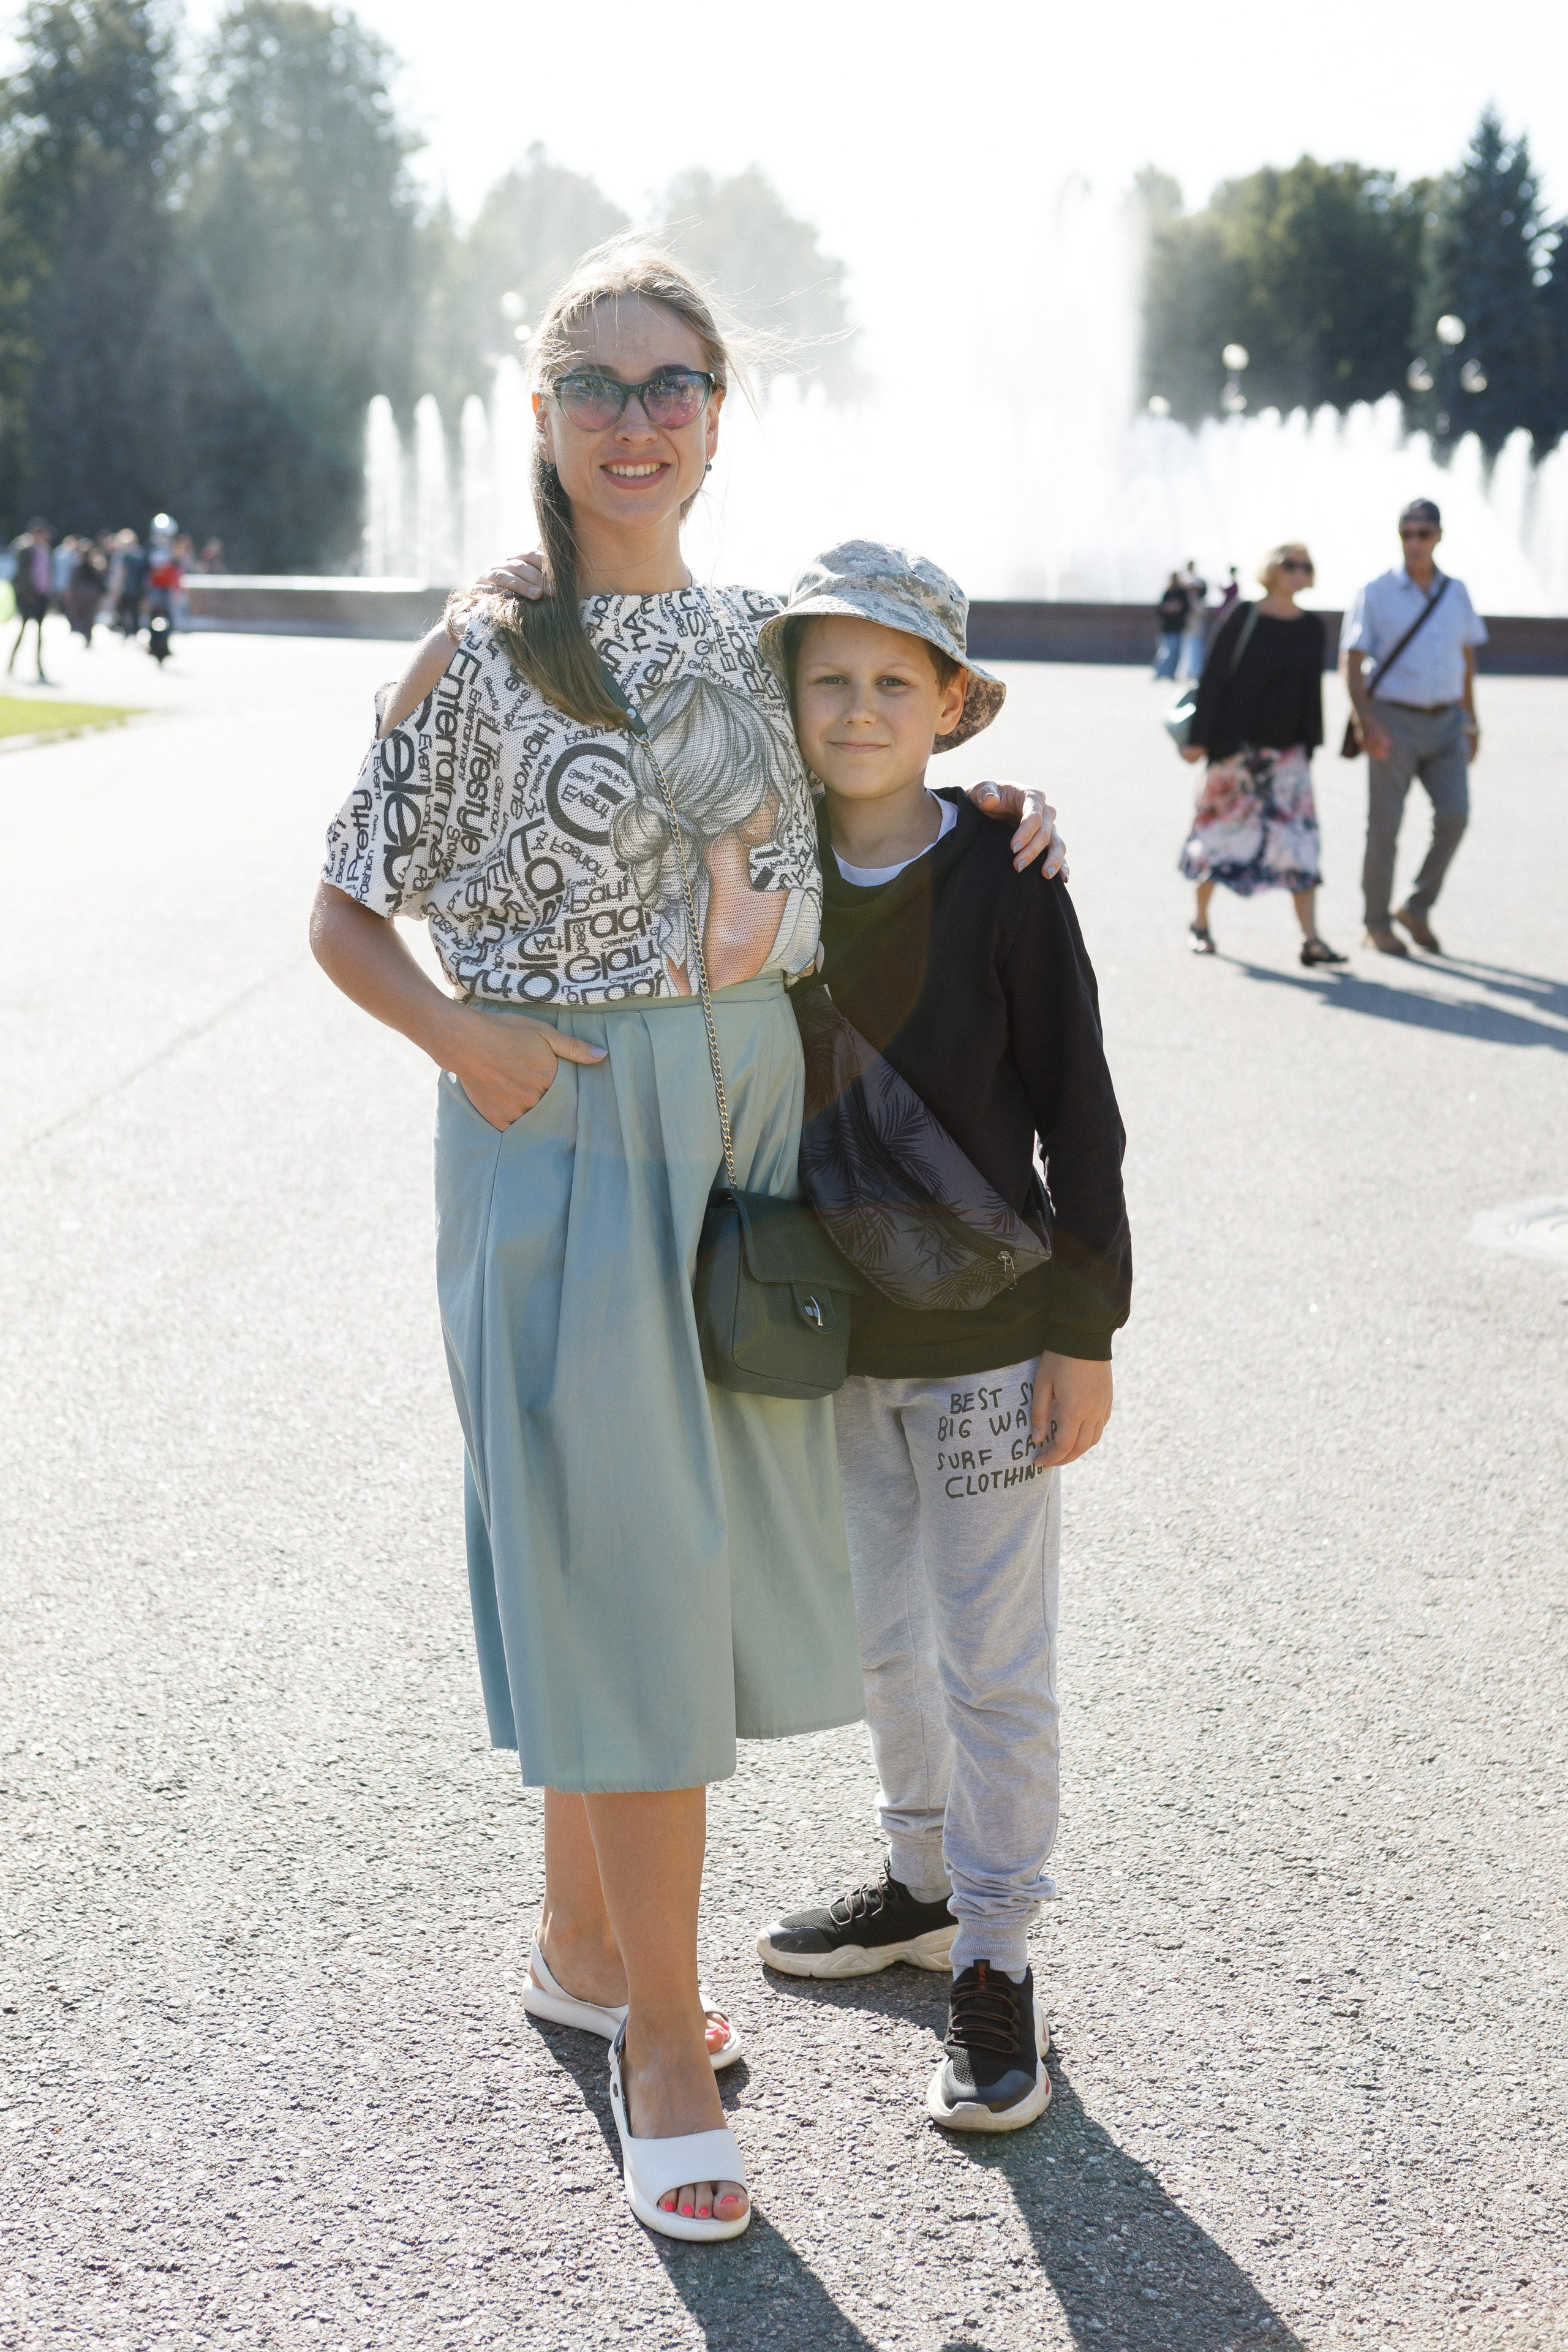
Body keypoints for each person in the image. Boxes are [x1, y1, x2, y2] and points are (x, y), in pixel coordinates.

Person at [309, 240, 1065, 2245]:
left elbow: (877, 781)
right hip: (560, 1141)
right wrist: (464, 1039)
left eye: (673, 387)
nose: (635, 421)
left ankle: (578, 1946)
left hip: (741, 1164)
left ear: (721, 420)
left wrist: (1004, 807)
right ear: (539, 415)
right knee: (632, 1578)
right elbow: (341, 911)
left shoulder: (754, 638)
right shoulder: (482, 651)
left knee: (649, 1578)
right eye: (598, 385)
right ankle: (656, 2029)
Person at [750, 543, 1130, 2135]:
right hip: (830, 1337)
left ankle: (997, 1960)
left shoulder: (1008, 874)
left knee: (994, 1658)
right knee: (883, 1637)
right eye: (827, 678)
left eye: (893, 682)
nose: (857, 709)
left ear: (953, 704)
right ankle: (914, 1880)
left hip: (989, 1344)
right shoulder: (758, 868)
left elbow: (1081, 1109)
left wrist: (1088, 1332)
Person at [1178, 541, 1345, 967]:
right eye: (1290, 564)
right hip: (1237, 751)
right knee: (1217, 834)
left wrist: (1311, 745)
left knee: (1300, 844)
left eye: (1305, 566)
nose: (1298, 572)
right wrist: (1200, 740)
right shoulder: (1245, 615)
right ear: (1271, 569)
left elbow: (1313, 690)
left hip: (1288, 755)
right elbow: (1214, 678)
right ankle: (1200, 924)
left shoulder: (1312, 626)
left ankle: (1311, 939)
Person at [1340, 497, 1487, 957]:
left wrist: (1472, 721)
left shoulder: (1456, 591)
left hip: (1446, 722)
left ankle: (1418, 907)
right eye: (1406, 533)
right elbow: (1352, 658)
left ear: (1439, 536)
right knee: (1384, 826)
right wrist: (1367, 721)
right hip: (1394, 720)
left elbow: (1466, 658)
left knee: (1455, 816)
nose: (1414, 543)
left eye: (1423, 533)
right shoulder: (1377, 590)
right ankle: (1376, 922)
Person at [6, 521, 54, 683]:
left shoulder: (44, 550)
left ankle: (39, 667)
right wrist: (27, 593)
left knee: (39, 633)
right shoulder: (25, 549)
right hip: (29, 596)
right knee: (23, 629)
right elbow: (22, 574)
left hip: (41, 596)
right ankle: (11, 663)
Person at [65, 540, 107, 646]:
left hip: (84, 595)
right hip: (89, 595)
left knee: (85, 617)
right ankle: (86, 634)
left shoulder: (85, 567)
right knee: (87, 617)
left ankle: (86, 635)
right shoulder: (90, 566)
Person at [1177, 559, 1208, 680]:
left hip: (1196, 626)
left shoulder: (1198, 598)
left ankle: (1195, 672)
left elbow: (1200, 611)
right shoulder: (1185, 583)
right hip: (1187, 626)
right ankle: (1185, 673)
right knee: (1186, 649)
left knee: (1196, 649)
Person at [1152, 571, 1188, 679]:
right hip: (1167, 627)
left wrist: (1178, 608)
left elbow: (1186, 608)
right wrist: (1169, 608)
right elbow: (1160, 609)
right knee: (1165, 651)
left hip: (1177, 627)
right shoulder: (1167, 593)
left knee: (1175, 653)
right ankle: (1160, 672)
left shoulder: (1182, 593)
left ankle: (1171, 673)